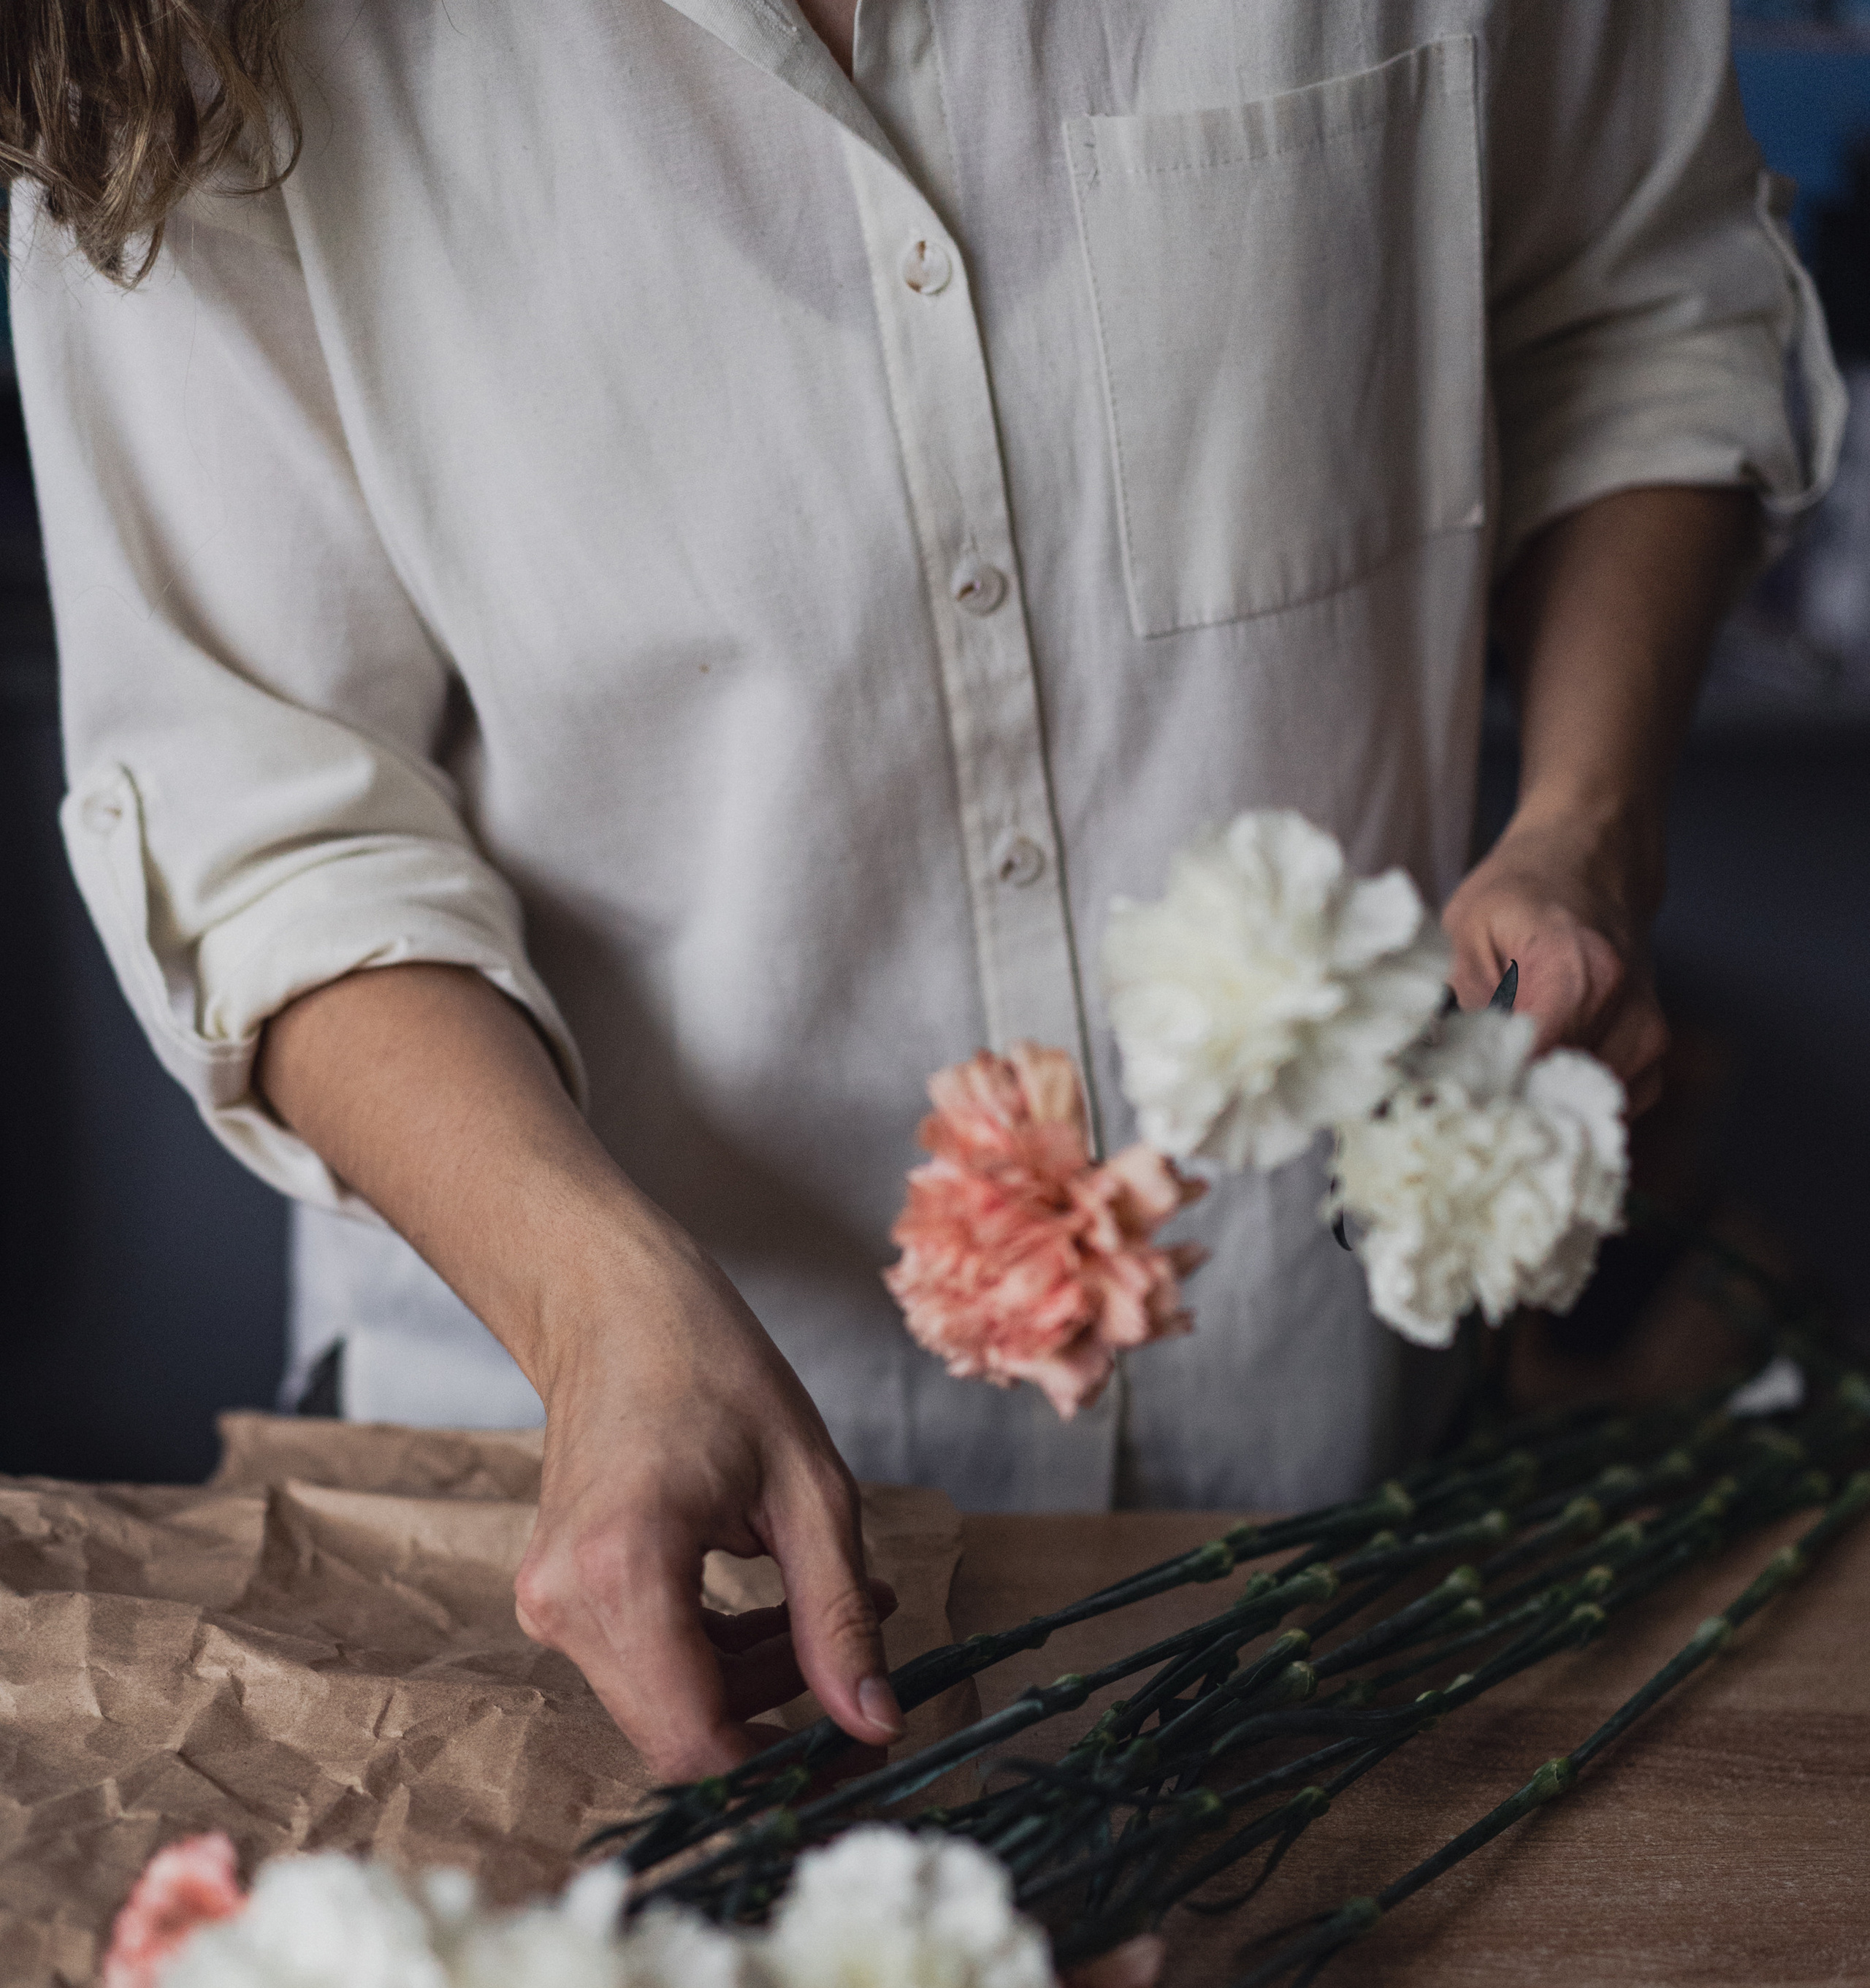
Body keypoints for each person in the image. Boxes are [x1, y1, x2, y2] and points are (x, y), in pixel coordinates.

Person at [4, 1, 1840, 1781]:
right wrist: (588, 1307)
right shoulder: (194, 42)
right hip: (591, 1535)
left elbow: (1634, 304)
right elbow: (266, 813)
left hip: (1328, 1459)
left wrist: (1584, 823)